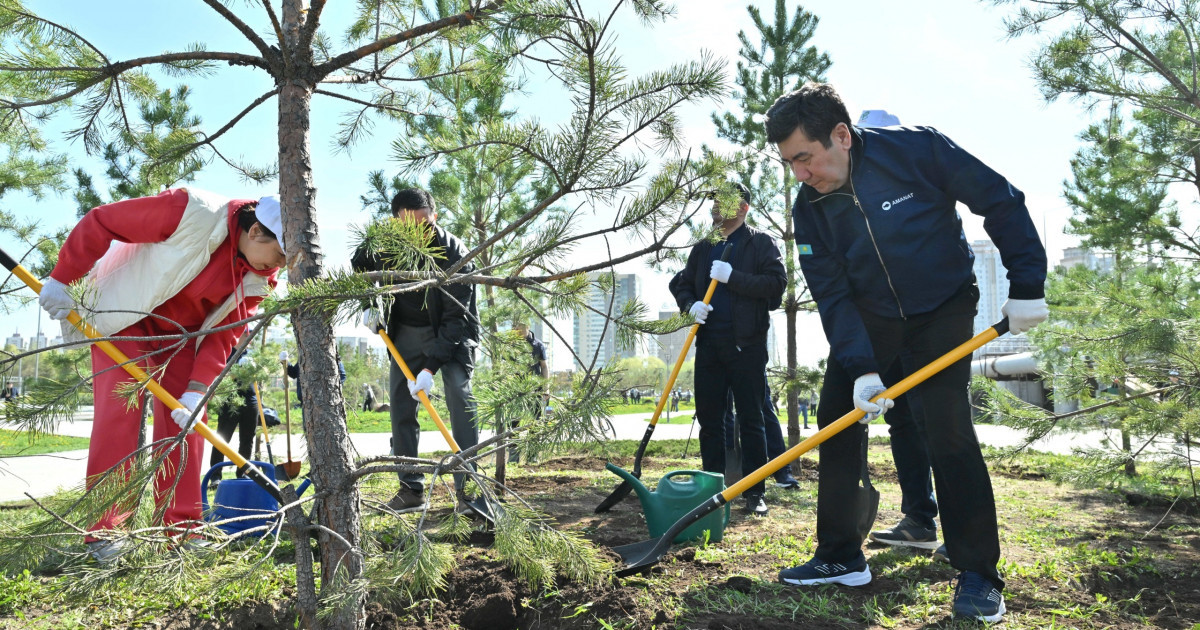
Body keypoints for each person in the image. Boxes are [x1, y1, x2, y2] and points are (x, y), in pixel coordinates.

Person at [765, 83, 1048, 622]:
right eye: (789, 164)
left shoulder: (918, 150)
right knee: (839, 417)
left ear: (841, 136)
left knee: (946, 427)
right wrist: (863, 368)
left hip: (942, 307)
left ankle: (977, 572)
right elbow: (831, 292)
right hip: (871, 317)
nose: (800, 174)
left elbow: (1001, 200)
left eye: (804, 157)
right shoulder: (811, 208)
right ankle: (841, 555)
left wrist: (1028, 282)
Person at [37, 189, 285, 563]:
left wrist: (196, 390)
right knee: (120, 414)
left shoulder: (260, 277)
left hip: (181, 337)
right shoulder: (191, 210)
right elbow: (102, 221)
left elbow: (223, 333)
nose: (279, 265)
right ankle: (106, 531)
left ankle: (182, 528)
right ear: (255, 234)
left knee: (188, 423)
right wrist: (62, 277)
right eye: (280, 254)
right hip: (127, 317)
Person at [352, 187, 480, 514]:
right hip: (405, 333)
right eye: (410, 226)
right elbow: (360, 265)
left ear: (434, 216)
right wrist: (370, 304)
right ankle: (410, 488)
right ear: (396, 223)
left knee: (458, 395)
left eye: (425, 222)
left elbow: (455, 318)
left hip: (450, 336)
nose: (419, 231)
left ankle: (470, 491)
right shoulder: (386, 244)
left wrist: (430, 368)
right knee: (400, 407)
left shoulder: (455, 253)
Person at [668, 180, 786, 517]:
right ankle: (712, 488)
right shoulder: (705, 246)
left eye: (724, 203)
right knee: (710, 419)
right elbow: (681, 283)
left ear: (744, 208)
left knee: (751, 419)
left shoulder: (760, 243)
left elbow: (775, 286)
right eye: (714, 202)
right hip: (709, 345)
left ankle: (754, 492)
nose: (716, 208)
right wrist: (689, 304)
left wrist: (734, 277)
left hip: (746, 346)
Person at [723, 374, 800, 489]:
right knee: (723, 409)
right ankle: (728, 466)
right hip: (718, 360)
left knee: (764, 408)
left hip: (750, 359)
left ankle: (782, 470)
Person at [209, 354, 259, 472]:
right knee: (222, 439)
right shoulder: (228, 352)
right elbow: (220, 375)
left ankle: (243, 472)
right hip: (230, 404)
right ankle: (215, 475)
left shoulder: (248, 352)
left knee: (247, 440)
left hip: (251, 403)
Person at [510, 321, 548, 463]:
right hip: (516, 391)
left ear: (528, 327)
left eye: (520, 328)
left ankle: (532, 456)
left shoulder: (538, 345)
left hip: (535, 390)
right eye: (515, 328)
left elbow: (544, 366)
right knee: (513, 423)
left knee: (536, 422)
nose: (518, 331)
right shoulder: (511, 345)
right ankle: (513, 458)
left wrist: (546, 388)